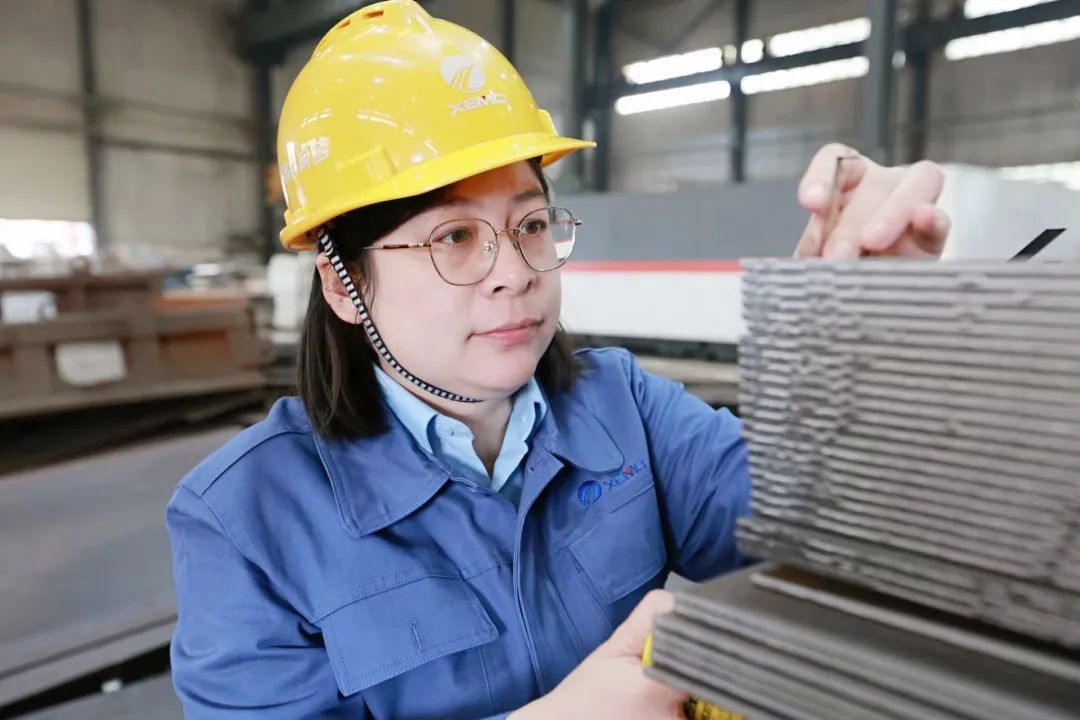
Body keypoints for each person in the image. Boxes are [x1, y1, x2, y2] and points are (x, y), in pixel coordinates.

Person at [165, 1, 950, 717]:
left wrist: (867, 341)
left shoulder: (625, 408)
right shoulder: (243, 519)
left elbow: (841, 538)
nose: (515, 271)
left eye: (532, 225)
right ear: (343, 284)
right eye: (454, 236)